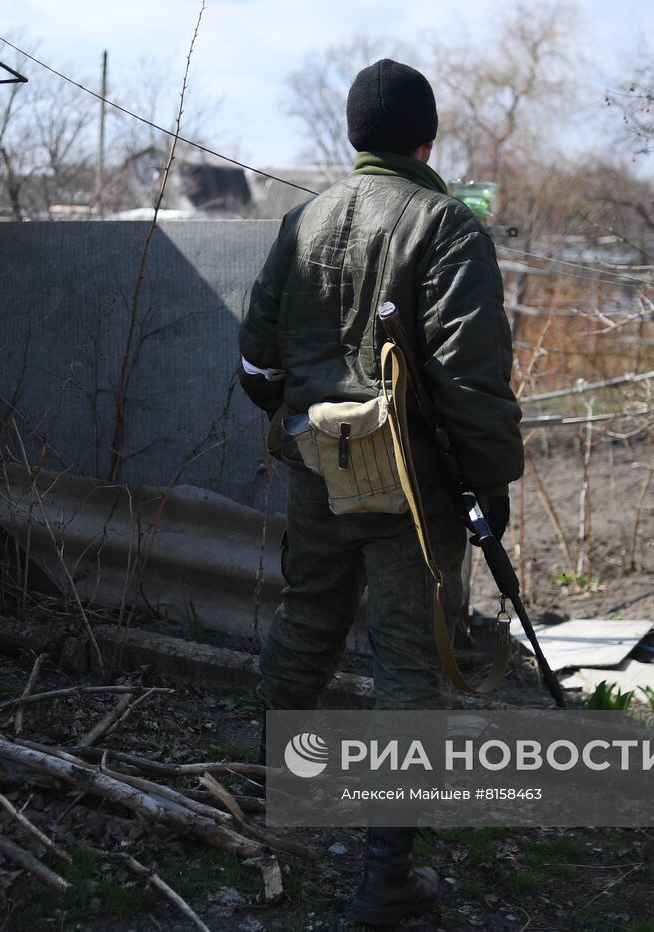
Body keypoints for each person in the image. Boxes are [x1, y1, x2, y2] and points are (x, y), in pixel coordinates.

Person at [236, 58, 525, 925]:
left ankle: (263, 806)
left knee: (307, 624)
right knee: (408, 666)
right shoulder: (446, 225)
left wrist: (307, 418)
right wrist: (491, 488)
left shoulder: (302, 220)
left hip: (317, 475)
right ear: (424, 139)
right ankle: (384, 878)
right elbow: (473, 381)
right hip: (411, 493)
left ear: (354, 138)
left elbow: (255, 364)